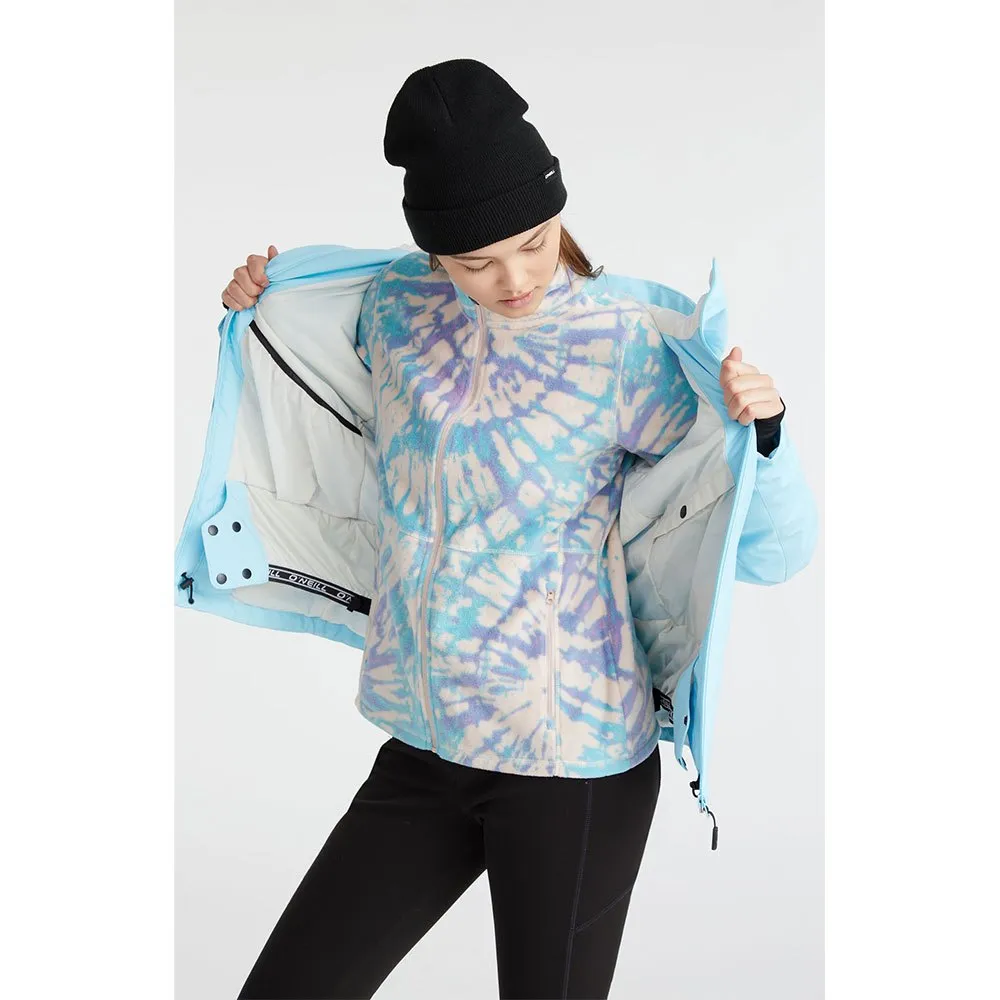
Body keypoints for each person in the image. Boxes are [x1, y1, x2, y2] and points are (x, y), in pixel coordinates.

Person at [221, 59, 790, 1000]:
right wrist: (266, 293)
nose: (515, 277)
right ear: (434, 254)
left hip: (572, 759)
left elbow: (764, 547)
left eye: (533, 241)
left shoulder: (625, 341)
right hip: (427, 747)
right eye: (475, 262)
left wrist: (766, 434)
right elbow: (310, 337)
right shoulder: (394, 309)